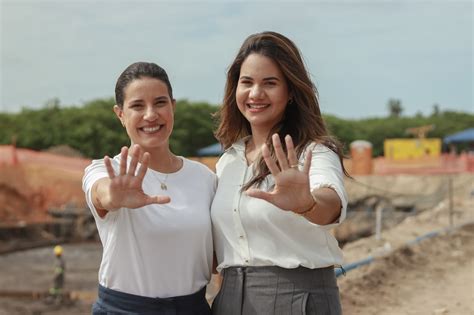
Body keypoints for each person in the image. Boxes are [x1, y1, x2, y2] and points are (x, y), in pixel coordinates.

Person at [211, 31, 349, 314]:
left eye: (270, 83)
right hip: (229, 298)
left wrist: (307, 204)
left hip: (297, 298)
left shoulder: (313, 152)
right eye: (246, 82)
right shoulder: (228, 161)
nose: (256, 94)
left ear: (291, 93)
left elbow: (331, 203)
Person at [82, 62, 216, 314]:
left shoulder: (205, 178)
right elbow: (102, 194)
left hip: (193, 307)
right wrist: (113, 195)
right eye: (137, 106)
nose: (151, 114)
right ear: (120, 114)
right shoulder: (104, 170)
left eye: (160, 102)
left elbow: (217, 259)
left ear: (173, 107)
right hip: (125, 309)